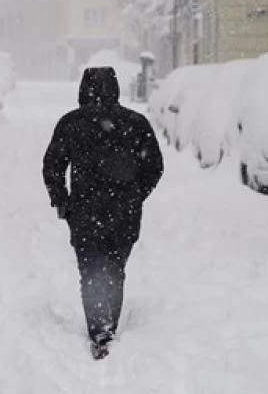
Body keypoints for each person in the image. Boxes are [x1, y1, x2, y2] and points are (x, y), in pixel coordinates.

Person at [42, 67, 164, 359]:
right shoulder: (136, 123)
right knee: (115, 267)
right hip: (125, 212)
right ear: (116, 88)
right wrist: (136, 195)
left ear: (83, 89)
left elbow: (53, 166)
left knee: (91, 268)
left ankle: (100, 329)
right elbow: (154, 167)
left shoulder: (71, 124)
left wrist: (63, 201)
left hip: (85, 212)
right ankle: (106, 322)